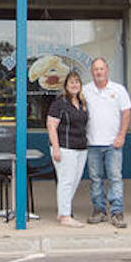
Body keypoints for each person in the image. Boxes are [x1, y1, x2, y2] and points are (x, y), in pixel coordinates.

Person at [84, 58, 131, 228]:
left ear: (107, 70)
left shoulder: (118, 89)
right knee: (95, 179)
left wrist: (122, 136)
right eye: (96, 69)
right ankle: (99, 210)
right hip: (92, 143)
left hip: (113, 143)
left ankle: (117, 212)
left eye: (101, 69)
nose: (99, 72)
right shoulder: (85, 90)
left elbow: (126, 113)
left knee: (115, 178)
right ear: (92, 72)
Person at [46, 71, 88, 228]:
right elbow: (51, 126)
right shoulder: (59, 103)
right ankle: (65, 216)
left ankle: (63, 209)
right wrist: (56, 148)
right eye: (71, 82)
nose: (74, 84)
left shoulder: (82, 103)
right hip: (65, 148)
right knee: (66, 181)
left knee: (75, 181)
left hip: (81, 148)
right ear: (65, 85)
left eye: (77, 82)